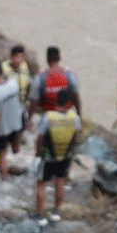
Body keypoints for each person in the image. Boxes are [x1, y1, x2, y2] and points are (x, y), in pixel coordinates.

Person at [36, 89, 81, 221]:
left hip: (48, 155)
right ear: (69, 103)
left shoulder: (48, 117)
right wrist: (71, 153)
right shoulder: (75, 118)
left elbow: (40, 137)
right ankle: (56, 211)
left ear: (57, 101)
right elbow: (76, 138)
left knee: (41, 183)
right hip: (65, 155)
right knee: (60, 181)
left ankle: (39, 214)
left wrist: (37, 151)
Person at [0, 60, 26, 177]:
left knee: (2, 154)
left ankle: (5, 179)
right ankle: (18, 161)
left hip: (3, 127)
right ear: (2, 71)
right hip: (17, 123)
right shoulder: (13, 84)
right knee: (15, 149)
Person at [29, 46, 81, 119]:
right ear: (59, 58)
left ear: (47, 59)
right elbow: (76, 98)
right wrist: (79, 116)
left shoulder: (40, 78)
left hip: (48, 117)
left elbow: (34, 101)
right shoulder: (70, 75)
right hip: (67, 115)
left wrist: (29, 119)